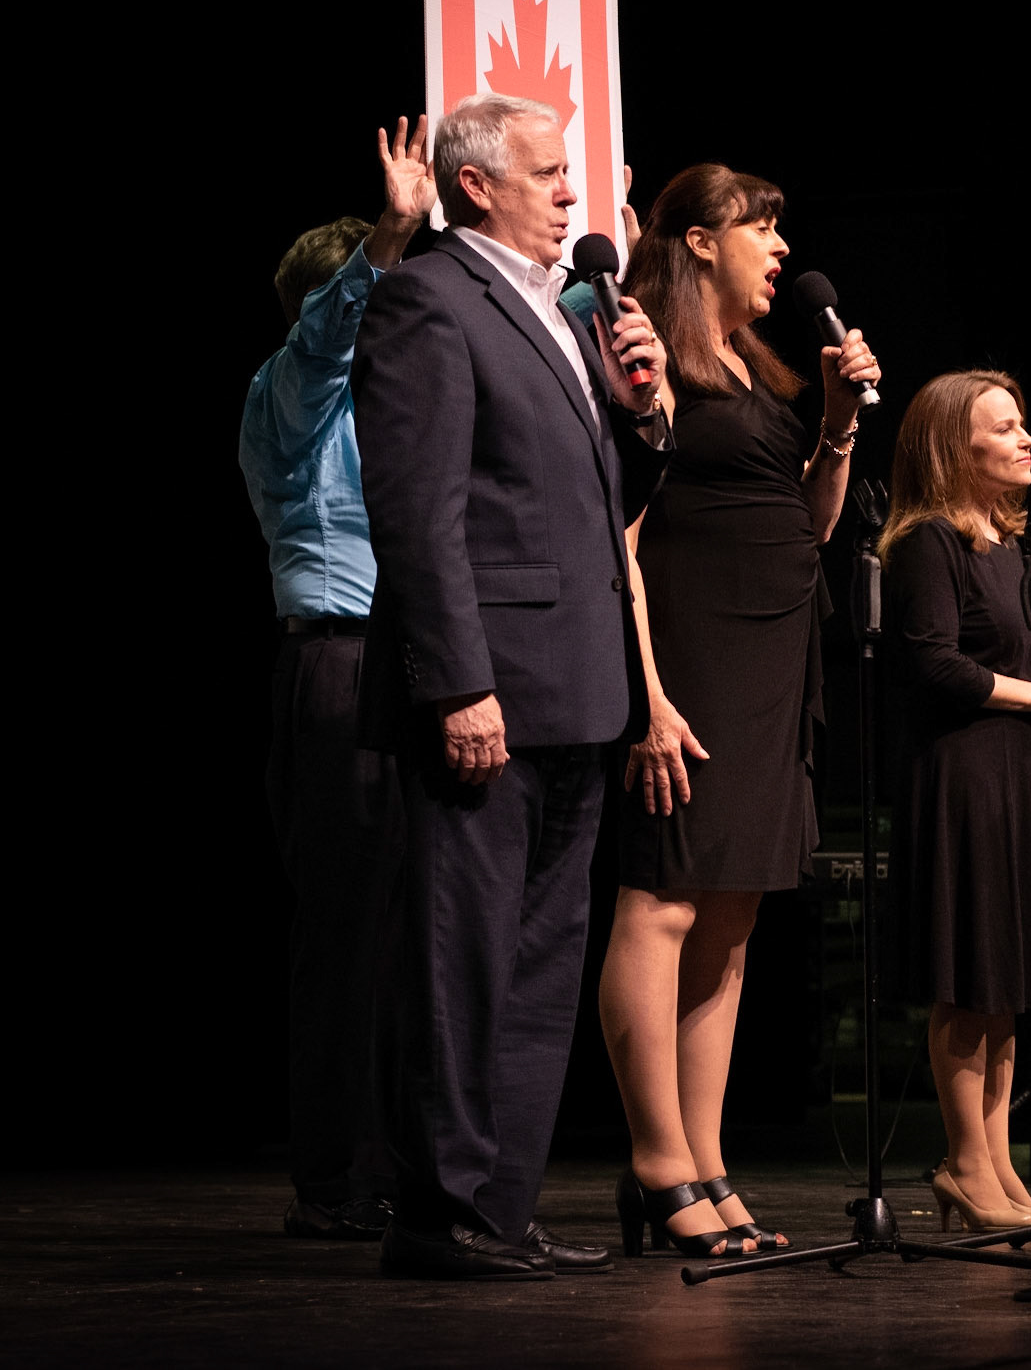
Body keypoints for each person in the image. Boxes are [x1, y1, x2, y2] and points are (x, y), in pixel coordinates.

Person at [352, 93, 670, 1281]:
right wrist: (456, 686)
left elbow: (595, 500)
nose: (571, 194)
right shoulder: (428, 300)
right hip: (489, 693)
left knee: (540, 963)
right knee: (464, 957)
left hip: (577, 685)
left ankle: (501, 1206)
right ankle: (438, 1211)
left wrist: (644, 415)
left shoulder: (565, 309)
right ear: (475, 185)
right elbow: (417, 514)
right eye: (547, 174)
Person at [596, 164, 881, 1259]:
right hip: (693, 662)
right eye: (762, 226)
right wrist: (649, 699)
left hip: (772, 664)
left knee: (729, 921)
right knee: (664, 902)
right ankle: (655, 1160)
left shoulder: (752, 368)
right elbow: (620, 538)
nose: (780, 247)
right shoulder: (653, 360)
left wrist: (839, 422)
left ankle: (707, 1160)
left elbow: (810, 524)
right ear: (701, 241)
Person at [238, 116, 434, 1240]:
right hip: (338, 668)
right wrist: (387, 243)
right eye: (383, 296)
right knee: (349, 934)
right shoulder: (290, 389)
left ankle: (409, 1166)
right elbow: (325, 344)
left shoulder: (394, 403)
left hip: (413, 667)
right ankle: (335, 1180)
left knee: (420, 937)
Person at [879, 371, 1031, 1231]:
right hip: (962, 777)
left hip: (1015, 774)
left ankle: (998, 1160)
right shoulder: (927, 541)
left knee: (1006, 982)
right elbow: (931, 661)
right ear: (953, 447)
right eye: (1004, 427)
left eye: (1022, 423)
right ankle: (964, 1159)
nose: (1026, 439)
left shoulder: (1008, 546)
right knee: (967, 978)